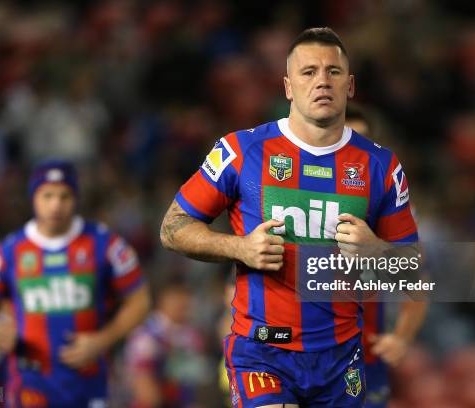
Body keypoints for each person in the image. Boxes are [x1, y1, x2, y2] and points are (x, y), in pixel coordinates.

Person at [160, 27, 420, 407]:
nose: (321, 82)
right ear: (287, 86)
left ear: (350, 85)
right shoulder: (241, 150)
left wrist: (375, 249)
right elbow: (172, 228)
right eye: (308, 71)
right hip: (263, 351)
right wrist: (240, 247)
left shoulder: (381, 165)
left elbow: (414, 271)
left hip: (341, 358)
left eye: (333, 72)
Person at [0, 160, 150, 407]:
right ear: (34, 198)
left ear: (76, 198)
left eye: (64, 196)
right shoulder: (7, 252)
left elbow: (139, 301)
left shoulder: (105, 245)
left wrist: (103, 340)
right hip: (29, 384)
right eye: (47, 195)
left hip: (89, 382)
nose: (56, 205)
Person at [346, 104, 428, 408]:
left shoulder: (394, 210)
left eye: (362, 140)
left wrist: (402, 337)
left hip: (366, 356)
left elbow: (416, 282)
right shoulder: (299, 201)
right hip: (300, 353)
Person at [124, 278, 209, 408]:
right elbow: (146, 392)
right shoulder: (147, 336)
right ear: (162, 300)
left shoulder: (192, 336)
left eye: (186, 296)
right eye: (176, 297)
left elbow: (198, 380)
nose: (183, 302)